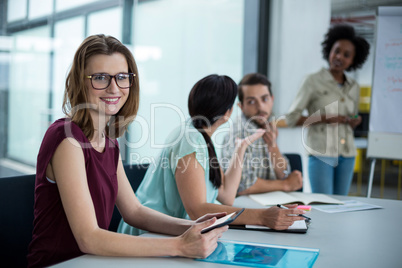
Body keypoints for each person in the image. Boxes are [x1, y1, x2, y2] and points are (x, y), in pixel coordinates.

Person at [27, 35, 228, 268]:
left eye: (122, 77)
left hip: (93, 262)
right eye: (100, 77)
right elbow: (88, 238)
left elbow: (134, 211)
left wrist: (192, 227)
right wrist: (179, 246)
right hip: (60, 264)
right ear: (80, 82)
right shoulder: (67, 137)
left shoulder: (109, 141)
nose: (114, 88)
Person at [118, 74, 306, 236]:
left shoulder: (201, 137)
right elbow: (197, 210)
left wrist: (241, 148)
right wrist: (262, 216)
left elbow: (226, 196)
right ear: (228, 112)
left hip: (171, 233)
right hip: (149, 234)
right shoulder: (190, 140)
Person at [285, 24, 370, 195]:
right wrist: (324, 118)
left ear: (353, 60)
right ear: (329, 51)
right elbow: (291, 118)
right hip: (321, 152)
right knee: (323, 203)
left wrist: (353, 121)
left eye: (346, 55)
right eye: (336, 51)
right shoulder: (312, 81)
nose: (339, 56)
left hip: (347, 154)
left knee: (341, 204)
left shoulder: (354, 86)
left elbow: (349, 115)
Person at [221, 73, 303, 195]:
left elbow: (284, 175)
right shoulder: (238, 134)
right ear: (241, 106)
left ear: (272, 99)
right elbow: (241, 186)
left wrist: (273, 147)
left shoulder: (266, 127)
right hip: (247, 207)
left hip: (272, 201)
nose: (260, 107)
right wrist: (285, 185)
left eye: (265, 99)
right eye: (251, 102)